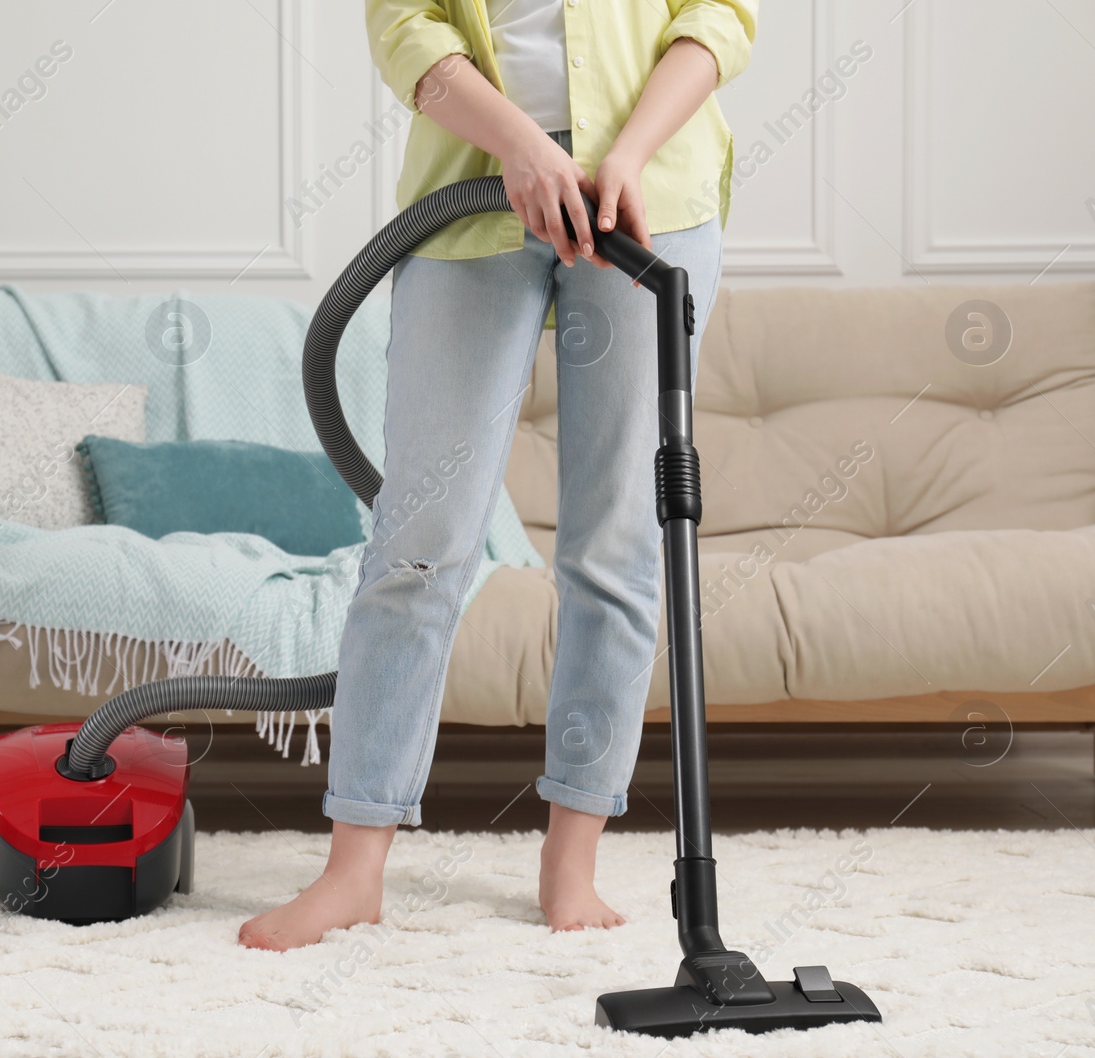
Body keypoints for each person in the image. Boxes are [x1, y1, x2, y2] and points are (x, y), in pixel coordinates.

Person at [240, 0, 757, 951]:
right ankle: (354, 869)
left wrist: (629, 152)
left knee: (616, 544)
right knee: (418, 543)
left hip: (651, 192)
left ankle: (572, 862)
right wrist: (521, 144)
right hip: (475, 187)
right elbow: (406, 26)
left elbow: (718, 17)